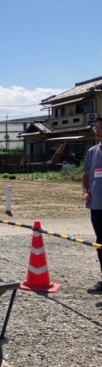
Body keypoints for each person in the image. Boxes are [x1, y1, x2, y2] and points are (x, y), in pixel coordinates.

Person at [82, 115, 102, 294]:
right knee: (100, 243)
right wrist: (85, 191)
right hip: (97, 205)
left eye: (101, 128)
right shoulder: (93, 151)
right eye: (97, 128)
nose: (98, 131)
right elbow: (86, 174)